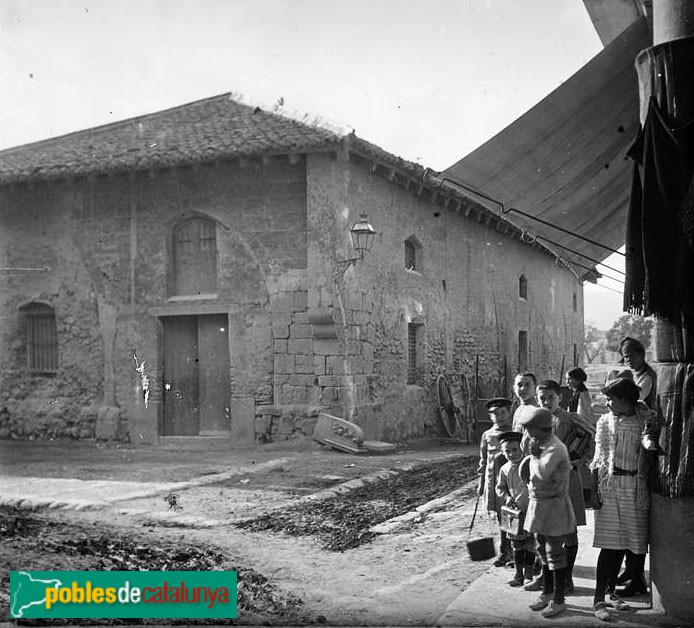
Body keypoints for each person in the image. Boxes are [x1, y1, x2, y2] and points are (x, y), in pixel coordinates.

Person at [590, 377, 657, 621]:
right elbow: (597, 459)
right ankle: (598, 600)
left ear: (626, 400)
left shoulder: (643, 421)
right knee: (609, 546)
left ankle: (611, 594)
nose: (607, 404)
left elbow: (653, 427)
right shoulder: (604, 422)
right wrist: (594, 493)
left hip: (636, 489)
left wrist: (644, 412)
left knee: (632, 545)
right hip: (609, 487)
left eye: (611, 399)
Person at [537, 379, 595, 594]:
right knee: (543, 532)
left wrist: (580, 462)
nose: (546, 401)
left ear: (560, 397)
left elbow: (593, 440)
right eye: (542, 398)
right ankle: (547, 578)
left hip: (568, 482)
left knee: (569, 531)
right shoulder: (535, 420)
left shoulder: (570, 418)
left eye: (550, 397)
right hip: (544, 485)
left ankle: (567, 579)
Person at [518, 407, 576, 618]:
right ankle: (547, 592)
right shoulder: (541, 443)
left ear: (539, 429)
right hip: (539, 504)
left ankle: (559, 600)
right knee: (542, 549)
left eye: (529, 429)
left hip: (554, 507)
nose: (527, 433)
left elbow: (542, 473)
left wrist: (532, 457)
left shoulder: (555, 447)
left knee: (555, 553)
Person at [615, 337, 661, 597]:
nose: (627, 360)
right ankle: (630, 571)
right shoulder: (636, 374)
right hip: (632, 444)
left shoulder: (646, 378)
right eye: (624, 356)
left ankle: (636, 578)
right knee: (628, 519)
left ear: (641, 354)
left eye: (630, 356)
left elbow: (633, 402)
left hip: (644, 444)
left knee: (637, 518)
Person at [477, 397, 515, 567]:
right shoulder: (487, 435)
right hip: (492, 483)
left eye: (502, 413)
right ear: (489, 415)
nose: (499, 417)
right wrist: (481, 483)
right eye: (495, 414)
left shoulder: (514, 431)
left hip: (510, 481)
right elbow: (483, 461)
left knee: (512, 516)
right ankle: (504, 552)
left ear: (509, 413)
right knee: (501, 517)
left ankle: (516, 552)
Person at [495, 430, 536, 587]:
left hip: (530, 511)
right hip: (514, 514)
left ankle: (529, 574)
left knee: (530, 545)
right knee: (517, 546)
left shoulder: (529, 465)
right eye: (507, 451)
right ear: (502, 452)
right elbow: (500, 488)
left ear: (522, 449)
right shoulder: (504, 469)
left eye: (515, 450)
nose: (511, 454)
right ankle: (518, 574)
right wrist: (506, 498)